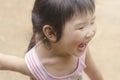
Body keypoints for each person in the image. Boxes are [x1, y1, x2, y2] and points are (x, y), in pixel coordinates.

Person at [0, 0, 103, 80]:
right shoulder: (37, 66)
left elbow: (94, 73)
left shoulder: (81, 50)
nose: (90, 33)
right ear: (51, 33)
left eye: (92, 22)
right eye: (81, 27)